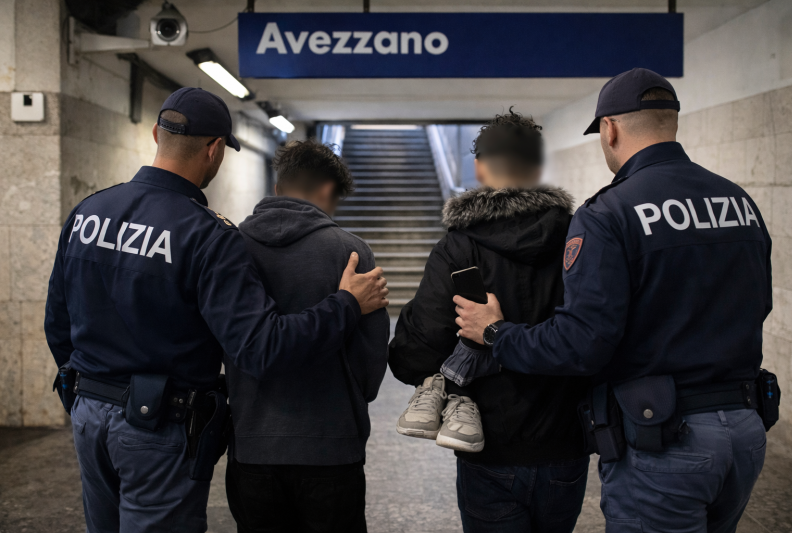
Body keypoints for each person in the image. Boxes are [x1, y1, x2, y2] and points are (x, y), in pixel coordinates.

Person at [43, 87, 388, 533]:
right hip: (158, 423)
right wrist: (345, 303)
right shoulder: (204, 234)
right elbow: (260, 347)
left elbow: (57, 322)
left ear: (155, 133)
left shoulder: (88, 212)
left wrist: (85, 395)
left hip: (89, 414)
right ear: (214, 149)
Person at [454, 68, 773, 533]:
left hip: (665, 440)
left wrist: (496, 332)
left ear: (610, 128)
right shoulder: (738, 202)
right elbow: (759, 303)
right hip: (745, 430)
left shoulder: (610, 213)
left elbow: (582, 343)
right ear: (671, 122)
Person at [389, 111, 590, 532]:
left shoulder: (458, 247)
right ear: (538, 167)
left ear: (479, 167)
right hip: (566, 441)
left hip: (488, 445)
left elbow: (417, 349)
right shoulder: (580, 239)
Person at [225, 140, 390, 533]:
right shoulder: (351, 253)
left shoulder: (230, 246)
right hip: (331, 446)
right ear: (328, 191)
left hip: (253, 446)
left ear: (278, 187)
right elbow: (370, 366)